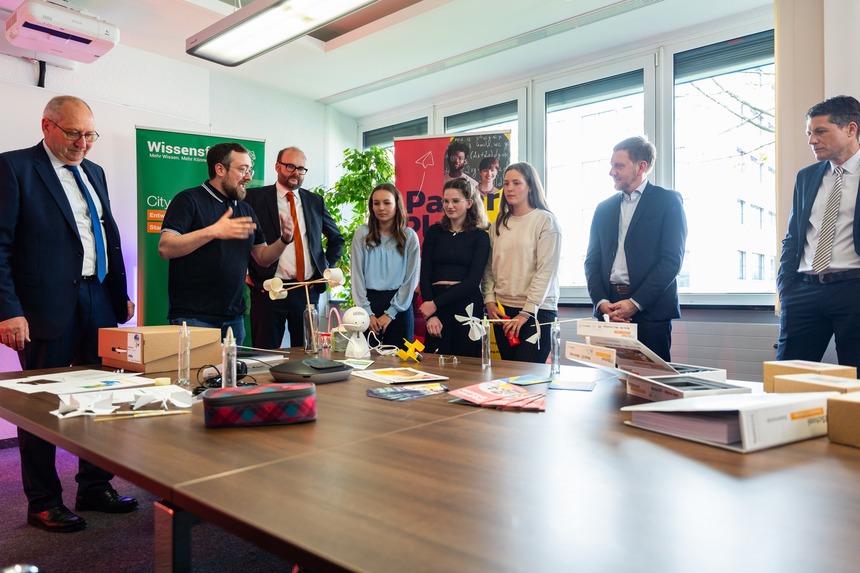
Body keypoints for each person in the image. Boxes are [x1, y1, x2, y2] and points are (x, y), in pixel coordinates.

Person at [0, 95, 138, 532]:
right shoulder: (13, 168)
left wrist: (120, 292)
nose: (84, 143)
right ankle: (43, 501)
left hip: (97, 298)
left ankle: (94, 486)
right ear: (47, 126)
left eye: (90, 134)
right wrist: (8, 310)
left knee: (101, 398)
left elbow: (104, 235)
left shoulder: (94, 172)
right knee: (42, 405)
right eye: (74, 133)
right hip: (44, 306)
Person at [159, 142, 294, 344]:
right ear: (220, 169)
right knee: (197, 375)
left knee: (232, 376)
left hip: (234, 320)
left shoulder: (246, 210)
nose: (248, 176)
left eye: (250, 169)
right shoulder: (188, 200)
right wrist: (213, 231)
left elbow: (262, 258)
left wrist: (284, 240)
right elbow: (165, 247)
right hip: (194, 319)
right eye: (242, 170)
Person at [584, 136, 687, 362]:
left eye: (619, 165)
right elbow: (592, 262)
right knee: (611, 386)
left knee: (654, 388)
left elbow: (671, 261)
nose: (612, 171)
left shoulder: (668, 201)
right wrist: (602, 303)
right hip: (609, 310)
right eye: (611, 165)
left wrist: (634, 303)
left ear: (641, 167)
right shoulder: (603, 208)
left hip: (650, 313)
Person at [777, 95, 860, 368]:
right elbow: (793, 237)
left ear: (851, 129)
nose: (812, 140)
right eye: (809, 133)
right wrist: (786, 288)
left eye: (821, 131)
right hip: (803, 291)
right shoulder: (807, 176)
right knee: (787, 377)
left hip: (853, 289)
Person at [244, 147, 344, 349]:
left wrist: (325, 268)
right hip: (270, 290)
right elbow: (242, 240)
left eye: (301, 169)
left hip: (306, 291)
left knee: (307, 353)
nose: (295, 172)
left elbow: (337, 239)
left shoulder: (315, 201)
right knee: (265, 353)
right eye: (290, 166)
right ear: (277, 166)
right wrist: (247, 271)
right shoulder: (254, 198)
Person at [482, 162, 562, 363]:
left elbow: (546, 271)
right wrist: (489, 300)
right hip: (503, 312)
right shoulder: (499, 223)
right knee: (508, 377)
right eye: (506, 183)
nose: (509, 188)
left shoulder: (545, 221)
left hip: (538, 312)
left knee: (527, 378)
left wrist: (526, 312)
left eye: (516, 183)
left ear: (530, 186)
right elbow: (489, 267)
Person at [419, 178, 490, 357]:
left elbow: (473, 281)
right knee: (435, 363)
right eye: (446, 201)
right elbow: (425, 273)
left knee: (468, 365)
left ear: (469, 203)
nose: (449, 206)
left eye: (455, 201)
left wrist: (434, 304)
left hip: (466, 304)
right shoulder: (434, 232)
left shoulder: (480, 237)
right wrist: (431, 314)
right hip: (436, 305)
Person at [351, 183, 420, 348]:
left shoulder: (409, 237)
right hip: (368, 307)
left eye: (386, 203)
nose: (381, 208)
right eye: (376, 203)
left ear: (397, 205)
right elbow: (357, 277)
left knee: (400, 369)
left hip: (400, 309)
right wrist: (367, 313)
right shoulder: (362, 233)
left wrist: (390, 314)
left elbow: (411, 280)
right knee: (365, 366)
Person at [475, 156, 502, 223]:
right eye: (485, 170)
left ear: (496, 172)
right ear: (480, 172)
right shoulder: (472, 192)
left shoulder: (501, 194)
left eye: (492, 170)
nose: (489, 174)